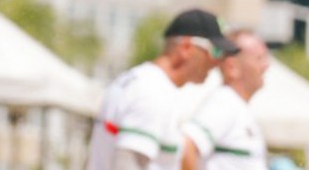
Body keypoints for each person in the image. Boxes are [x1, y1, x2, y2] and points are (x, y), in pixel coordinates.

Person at [86, 9, 240, 170]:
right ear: (186, 47)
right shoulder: (153, 92)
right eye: (215, 51)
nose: (218, 62)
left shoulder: (134, 80)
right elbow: (127, 164)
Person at [181, 30, 270, 170]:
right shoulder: (225, 104)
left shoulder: (236, 106)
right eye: (259, 58)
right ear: (232, 67)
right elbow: (186, 148)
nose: (266, 65)